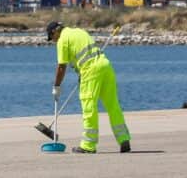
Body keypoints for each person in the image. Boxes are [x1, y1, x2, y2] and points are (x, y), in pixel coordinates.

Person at [47, 20, 131, 154]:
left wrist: (56, 86)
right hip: (105, 66)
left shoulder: (62, 40)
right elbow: (85, 53)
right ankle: (124, 139)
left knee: (89, 107)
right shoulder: (78, 31)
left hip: (90, 70)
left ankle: (88, 145)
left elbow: (61, 67)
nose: (54, 41)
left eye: (52, 39)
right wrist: (81, 71)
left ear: (55, 32)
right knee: (113, 106)